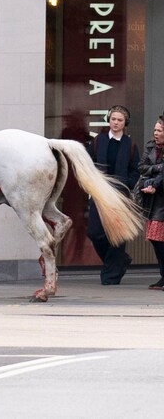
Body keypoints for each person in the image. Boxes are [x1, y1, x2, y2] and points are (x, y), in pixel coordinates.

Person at [87, 105, 139, 285]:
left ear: (126, 123)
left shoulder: (130, 144)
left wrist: (126, 185)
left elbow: (135, 171)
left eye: (120, 120)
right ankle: (119, 261)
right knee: (94, 232)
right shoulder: (97, 141)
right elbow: (88, 165)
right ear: (108, 120)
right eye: (113, 119)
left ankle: (111, 275)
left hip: (120, 196)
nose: (115, 123)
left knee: (118, 237)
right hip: (100, 194)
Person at [138, 115, 164, 290]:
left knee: (160, 239)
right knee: (156, 240)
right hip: (152, 199)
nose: (155, 133)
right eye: (155, 130)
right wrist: (157, 168)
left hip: (161, 196)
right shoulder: (150, 147)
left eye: (159, 130)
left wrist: (154, 183)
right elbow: (141, 167)